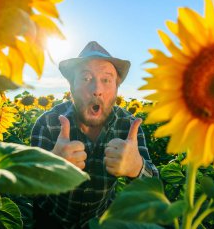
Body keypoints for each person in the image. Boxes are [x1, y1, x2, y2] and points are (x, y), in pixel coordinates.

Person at [31, 41, 159, 229]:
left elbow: (155, 187)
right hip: (50, 219)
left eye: (106, 80)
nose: (96, 90)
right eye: (86, 78)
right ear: (71, 86)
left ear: (116, 88)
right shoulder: (48, 123)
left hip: (100, 222)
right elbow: (26, 186)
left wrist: (137, 168)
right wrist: (49, 169)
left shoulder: (128, 126)